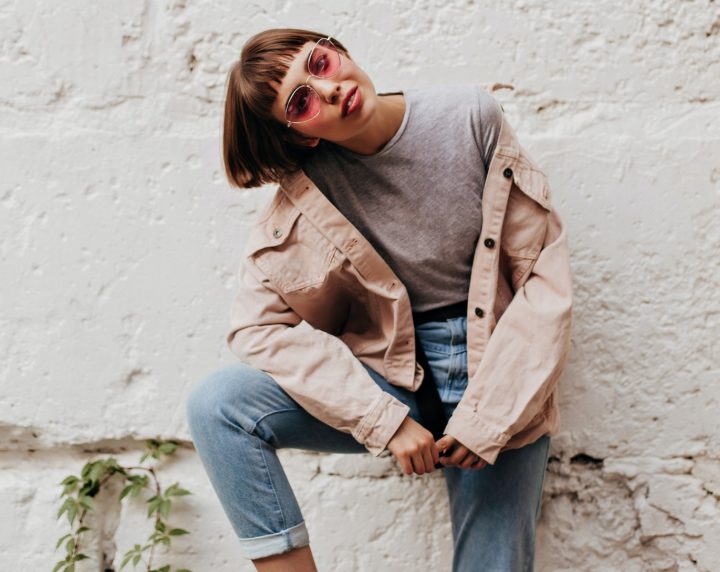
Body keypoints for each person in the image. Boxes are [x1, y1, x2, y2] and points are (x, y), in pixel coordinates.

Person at [186, 28, 573, 572]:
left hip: (496, 366)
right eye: (300, 102)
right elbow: (255, 327)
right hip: (396, 379)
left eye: (319, 63)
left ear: (336, 49)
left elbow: (542, 280)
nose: (326, 89)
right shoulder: (307, 192)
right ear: (301, 137)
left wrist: (490, 419)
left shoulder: (467, 116)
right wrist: (381, 419)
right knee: (218, 405)